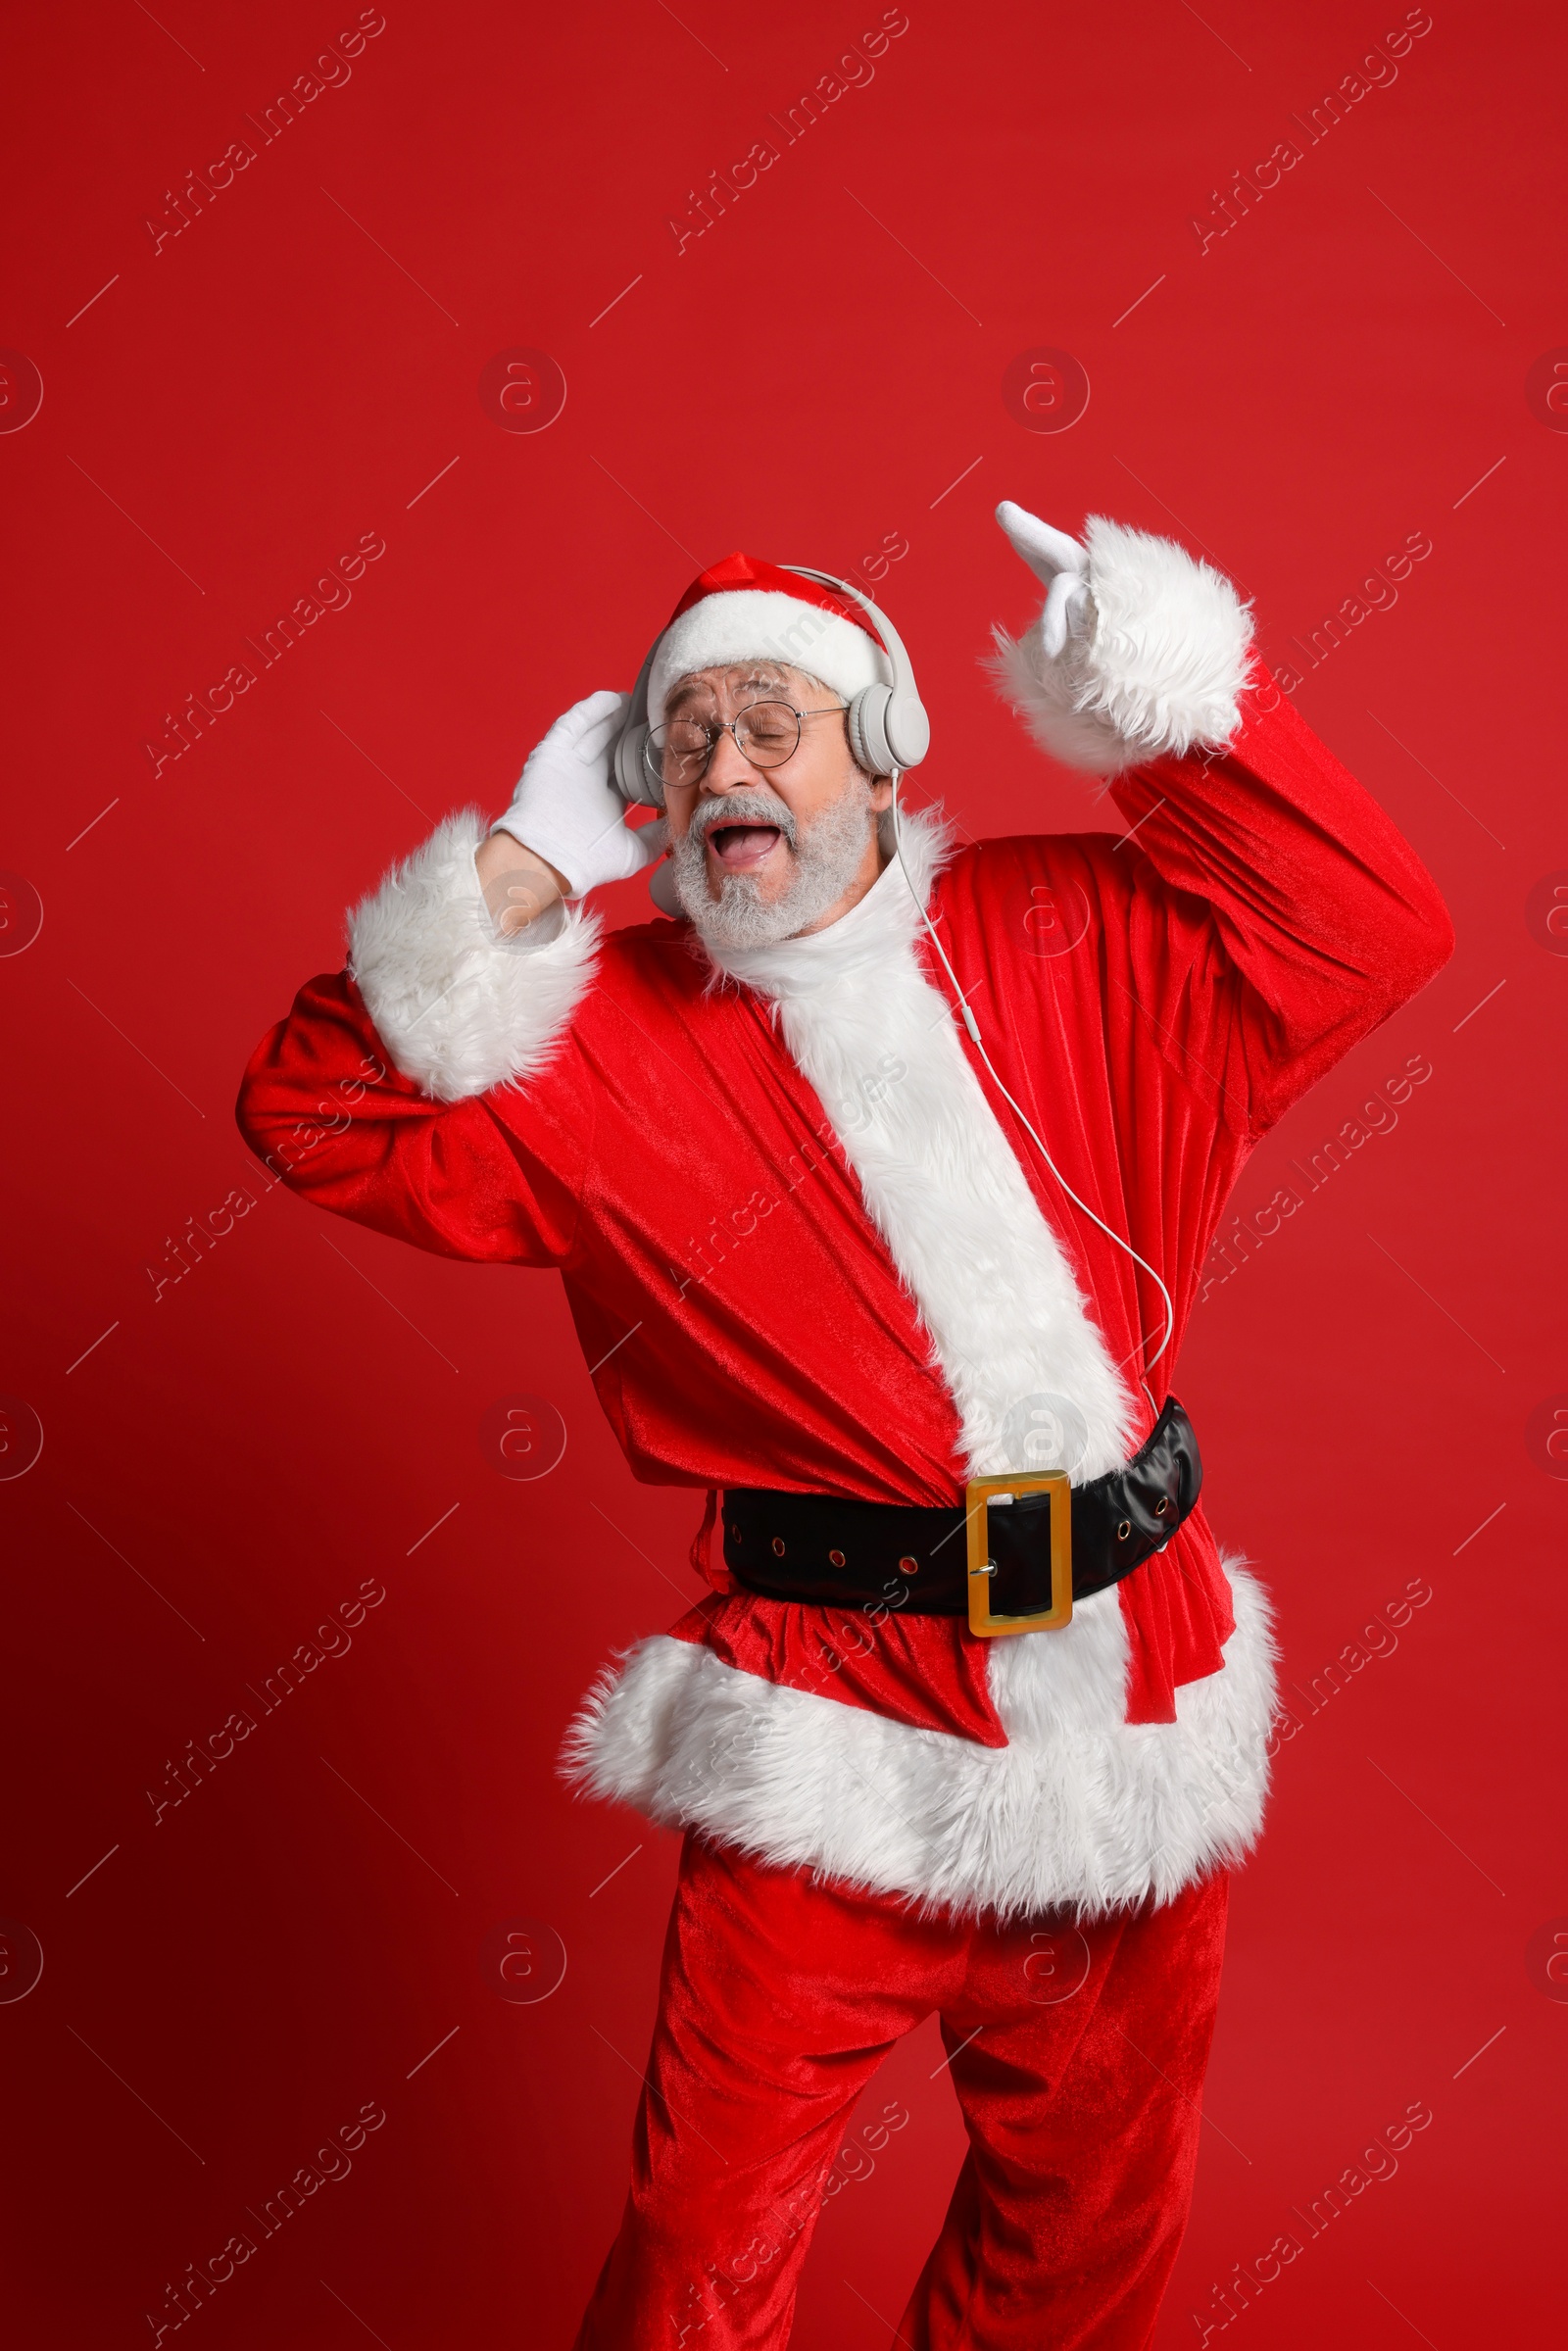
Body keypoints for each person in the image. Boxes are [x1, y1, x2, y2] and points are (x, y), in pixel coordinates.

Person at [236, 502, 1452, 2348]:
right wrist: (514, 881)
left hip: (1132, 1695)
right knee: (698, 2252)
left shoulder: (1075, 926)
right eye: (690, 732)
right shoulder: (600, 1039)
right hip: (832, 1720)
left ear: (881, 751)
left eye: (771, 718)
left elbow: (1374, 927)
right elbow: (312, 1116)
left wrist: (1161, 689)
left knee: (1088, 2244)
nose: (728, 759)